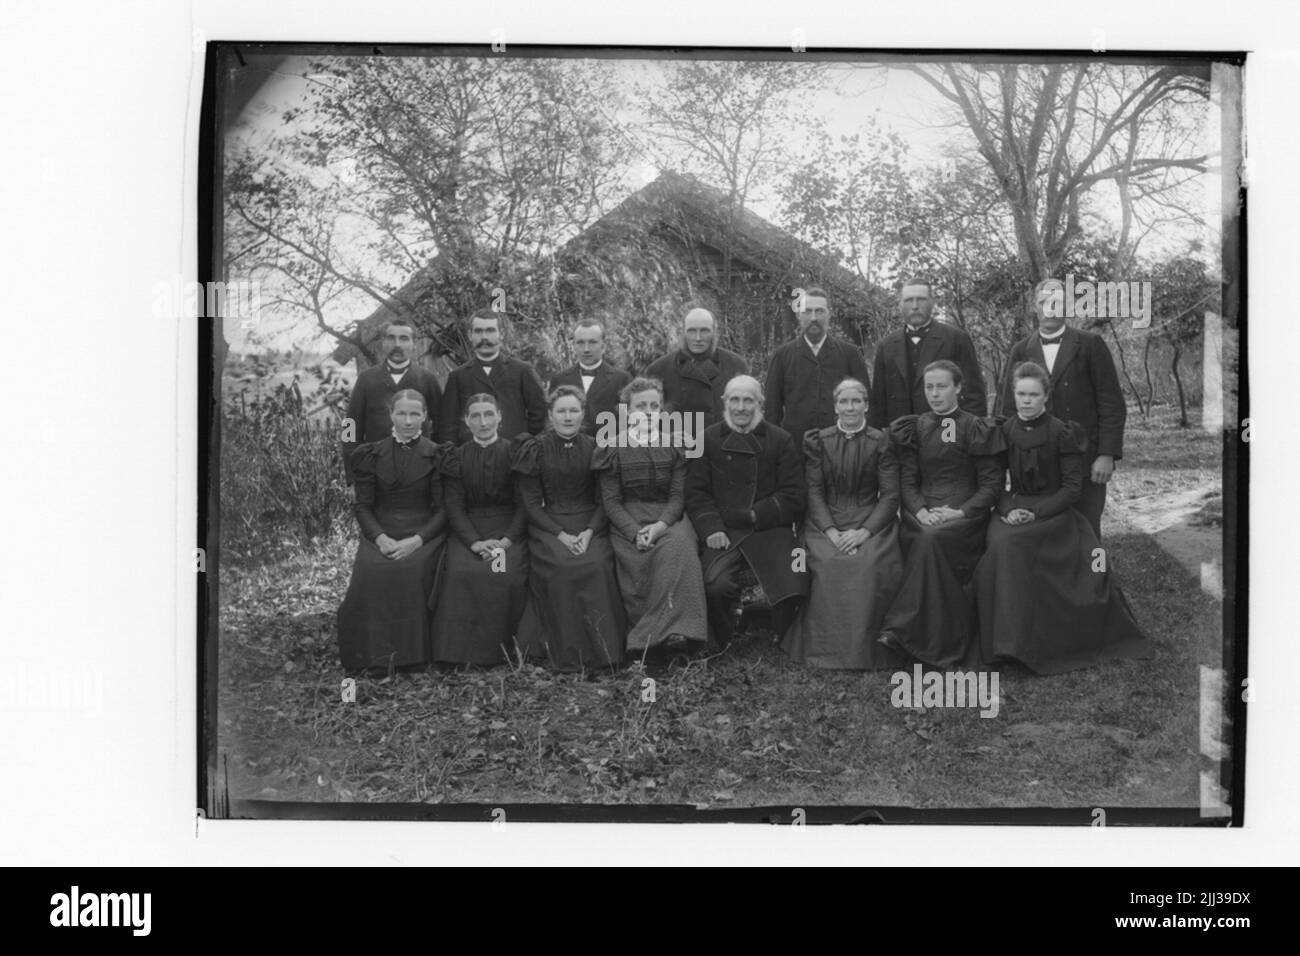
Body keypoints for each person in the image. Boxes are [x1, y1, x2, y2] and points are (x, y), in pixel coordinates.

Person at [976, 362, 1150, 673]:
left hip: (1054, 512)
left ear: (1046, 396)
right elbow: (993, 484)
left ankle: (1035, 642)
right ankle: (1004, 643)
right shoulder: (1003, 431)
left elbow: (1071, 489)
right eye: (1020, 394)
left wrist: (1035, 512)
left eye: (1033, 394)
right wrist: (1008, 509)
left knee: (1016, 545)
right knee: (1001, 544)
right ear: (1013, 395)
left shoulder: (1063, 432)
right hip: (1013, 508)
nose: (1026, 401)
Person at [879, 360, 1003, 668]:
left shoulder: (976, 427)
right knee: (925, 534)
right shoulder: (915, 427)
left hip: (964, 514)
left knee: (931, 540)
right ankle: (919, 636)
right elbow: (908, 481)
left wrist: (959, 512)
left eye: (942, 386)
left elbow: (991, 486)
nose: (934, 394)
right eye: (929, 387)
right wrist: (920, 511)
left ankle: (904, 630)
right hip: (922, 511)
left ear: (958, 388)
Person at [782, 378, 905, 670]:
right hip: (826, 519)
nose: (850, 408)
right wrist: (831, 531)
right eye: (844, 402)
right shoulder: (818, 441)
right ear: (835, 407)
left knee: (870, 561)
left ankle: (870, 648)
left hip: (869, 517)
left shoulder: (881, 440)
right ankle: (823, 646)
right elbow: (814, 490)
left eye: (856, 401)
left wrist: (864, 532)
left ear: (866, 405)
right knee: (826, 560)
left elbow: (889, 495)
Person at [997, 278, 1127, 538]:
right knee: (1042, 530)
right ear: (1035, 307)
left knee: (1087, 530)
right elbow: (1007, 409)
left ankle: (1098, 574)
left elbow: (1111, 403)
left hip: (1084, 458)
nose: (1050, 308)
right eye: (1044, 302)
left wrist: (1107, 454)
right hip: (1035, 461)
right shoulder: (1021, 350)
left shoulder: (1090, 345)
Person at [686, 375, 808, 649]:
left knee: (796, 573)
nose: (741, 407)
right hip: (724, 531)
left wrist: (756, 514)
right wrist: (712, 529)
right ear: (724, 403)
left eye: (748, 400)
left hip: (768, 528)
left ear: (760, 404)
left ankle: (782, 635)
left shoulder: (780, 439)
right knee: (714, 585)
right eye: (734, 399)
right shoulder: (705, 439)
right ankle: (722, 638)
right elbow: (695, 494)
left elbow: (795, 495)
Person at [591, 377, 708, 658]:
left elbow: (678, 496)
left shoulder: (674, 446)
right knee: (637, 562)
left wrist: (659, 526)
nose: (647, 411)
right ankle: (646, 641)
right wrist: (634, 532)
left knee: (679, 548)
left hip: (668, 519)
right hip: (627, 521)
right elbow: (611, 501)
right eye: (640, 405)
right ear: (627, 411)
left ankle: (685, 633)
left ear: (661, 411)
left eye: (653, 406)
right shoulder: (611, 449)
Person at [513, 386, 627, 672]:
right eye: (561, 411)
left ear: (583, 413)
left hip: (590, 524)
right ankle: (563, 653)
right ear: (550, 415)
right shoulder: (534, 449)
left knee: (597, 565)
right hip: (549, 526)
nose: (568, 417)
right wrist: (560, 534)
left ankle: (604, 652)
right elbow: (530, 504)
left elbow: (604, 500)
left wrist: (588, 533)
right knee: (562, 566)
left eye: (573, 410)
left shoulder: (597, 448)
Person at [336, 389, 448, 670]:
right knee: (373, 570)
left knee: (411, 569)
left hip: (423, 532)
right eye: (401, 413)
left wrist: (417, 541)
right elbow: (363, 507)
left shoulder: (437, 455)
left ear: (424, 417)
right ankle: (373, 655)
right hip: (382, 530)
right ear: (391, 416)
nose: (408, 420)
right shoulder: (370, 454)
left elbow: (443, 509)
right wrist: (380, 538)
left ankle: (414, 657)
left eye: (414, 414)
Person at [429, 393, 530, 666]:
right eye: (475, 416)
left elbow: (525, 505)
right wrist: (474, 542)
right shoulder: (457, 456)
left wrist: (506, 541)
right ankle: (461, 654)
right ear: (466, 421)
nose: (483, 422)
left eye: (489, 414)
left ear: (500, 416)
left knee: (501, 573)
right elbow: (454, 506)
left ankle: (500, 653)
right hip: (469, 532)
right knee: (462, 572)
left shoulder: (515, 453)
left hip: (507, 531)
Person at [869, 280, 987, 428]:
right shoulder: (886, 345)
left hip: (946, 432)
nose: (915, 306)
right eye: (909, 300)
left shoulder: (956, 339)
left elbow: (974, 394)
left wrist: (973, 434)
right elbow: (878, 401)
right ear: (900, 305)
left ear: (932, 302)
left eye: (921, 299)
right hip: (900, 436)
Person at [764, 286, 872, 446]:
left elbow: (866, 404)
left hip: (842, 448)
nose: (813, 318)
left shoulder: (850, 354)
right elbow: (772, 412)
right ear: (799, 316)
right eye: (807, 311)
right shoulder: (782, 356)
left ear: (829, 314)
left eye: (819, 311)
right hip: (795, 448)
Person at [341, 321, 444, 483]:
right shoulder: (366, 379)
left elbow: (442, 426)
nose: (397, 344)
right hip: (376, 475)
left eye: (404, 339)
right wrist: (354, 475)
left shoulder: (427, 379)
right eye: (391, 338)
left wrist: (437, 468)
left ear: (414, 344)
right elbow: (350, 426)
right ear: (383, 343)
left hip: (420, 475)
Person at [439, 312, 547, 445]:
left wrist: (525, 446)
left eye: (490, 331)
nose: (484, 337)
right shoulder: (457, 377)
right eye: (478, 331)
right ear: (470, 335)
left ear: (501, 333)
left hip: (515, 457)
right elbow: (448, 426)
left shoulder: (523, 371)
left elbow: (539, 416)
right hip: (472, 459)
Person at [644, 307, 749, 427]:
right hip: (679, 443)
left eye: (704, 331)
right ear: (683, 332)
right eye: (692, 331)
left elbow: (748, 410)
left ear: (714, 332)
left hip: (723, 442)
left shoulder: (735, 365)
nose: (698, 338)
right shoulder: (659, 369)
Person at [548, 319, 632, 436]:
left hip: (607, 449)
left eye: (592, 342)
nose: (586, 349)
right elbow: (551, 420)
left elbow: (626, 422)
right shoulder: (559, 379)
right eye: (581, 343)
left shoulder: (621, 379)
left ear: (603, 346)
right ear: (574, 346)